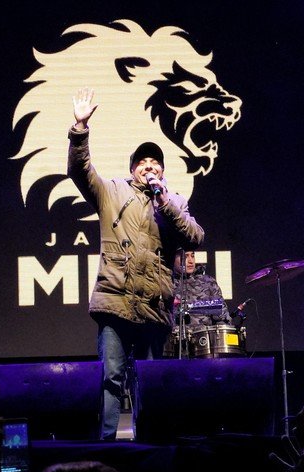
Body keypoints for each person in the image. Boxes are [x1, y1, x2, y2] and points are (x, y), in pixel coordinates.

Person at [68, 88, 205, 440]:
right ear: (133, 170)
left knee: (149, 379)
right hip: (115, 301)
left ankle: (150, 445)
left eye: (155, 163)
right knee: (111, 376)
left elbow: (195, 238)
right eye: (143, 163)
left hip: (154, 308)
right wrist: (80, 128)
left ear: (162, 171)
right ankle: (107, 444)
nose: (149, 166)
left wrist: (166, 203)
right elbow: (80, 171)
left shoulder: (173, 202)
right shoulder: (113, 192)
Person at [172, 249, 232, 328]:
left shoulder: (208, 283)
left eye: (192, 256)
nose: (191, 261)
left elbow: (223, 318)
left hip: (203, 338)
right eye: (185, 257)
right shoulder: (166, 284)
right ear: (172, 258)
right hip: (173, 337)